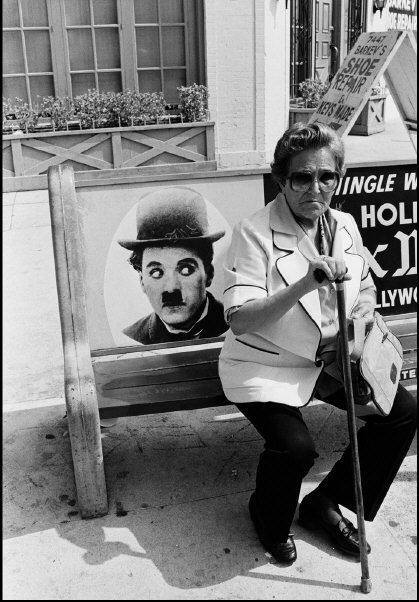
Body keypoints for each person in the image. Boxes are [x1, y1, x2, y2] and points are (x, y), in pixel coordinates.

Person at [218, 122, 417, 564]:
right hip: (266, 364)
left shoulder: (343, 224)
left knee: (402, 414)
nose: (316, 188)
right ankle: (268, 517)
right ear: (281, 180)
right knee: (296, 448)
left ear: (338, 179)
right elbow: (241, 321)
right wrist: (304, 284)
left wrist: (363, 314)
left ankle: (324, 503)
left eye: (327, 177)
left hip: (331, 361)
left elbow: (364, 285)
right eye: (302, 178)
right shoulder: (252, 233)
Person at [118, 186, 228, 344]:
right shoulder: (132, 339)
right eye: (156, 272)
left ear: (209, 274)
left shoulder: (235, 325)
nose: (171, 289)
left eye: (186, 270)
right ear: (142, 281)